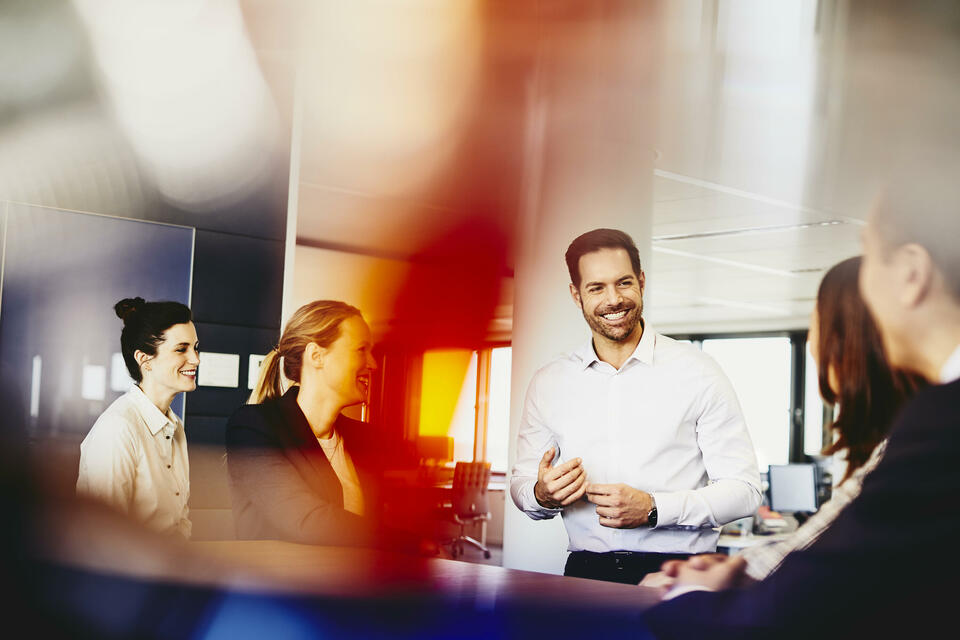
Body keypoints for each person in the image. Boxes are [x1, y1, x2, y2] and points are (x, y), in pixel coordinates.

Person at [641, 176, 960, 637]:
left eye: (869, 255)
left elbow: (784, 618)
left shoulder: (939, 428)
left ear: (912, 273)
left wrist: (688, 594)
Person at [641, 256, 922, 592]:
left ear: (845, 341)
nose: (814, 348)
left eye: (815, 322)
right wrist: (737, 566)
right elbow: (812, 543)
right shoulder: (895, 444)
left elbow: (820, 551)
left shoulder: (903, 455)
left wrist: (719, 576)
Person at [510, 228, 762, 584]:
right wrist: (542, 495)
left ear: (641, 281)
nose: (613, 299)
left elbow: (745, 490)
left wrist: (655, 508)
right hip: (585, 575)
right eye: (596, 287)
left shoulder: (699, 371)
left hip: (681, 574)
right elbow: (522, 483)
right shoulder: (549, 381)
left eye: (623, 283)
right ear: (576, 294)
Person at [225, 300, 397, 548]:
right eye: (361, 350)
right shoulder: (254, 427)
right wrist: (408, 542)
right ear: (316, 356)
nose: (373, 364)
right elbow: (305, 521)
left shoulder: (365, 438)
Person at [77, 297, 199, 538]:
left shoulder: (176, 428)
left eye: (196, 347)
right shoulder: (117, 429)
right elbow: (106, 536)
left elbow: (179, 522)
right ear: (144, 359)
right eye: (181, 349)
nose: (195, 359)